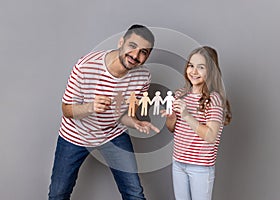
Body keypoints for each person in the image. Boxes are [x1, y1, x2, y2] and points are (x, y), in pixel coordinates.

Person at [48, 24, 159, 200]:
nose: (135, 56)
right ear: (121, 42)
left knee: (134, 193)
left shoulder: (143, 77)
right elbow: (67, 110)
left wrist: (135, 122)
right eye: (132, 46)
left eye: (143, 52)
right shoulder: (85, 66)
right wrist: (91, 107)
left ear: (148, 56)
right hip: (76, 135)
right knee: (58, 193)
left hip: (112, 134)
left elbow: (124, 116)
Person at [161, 46, 232, 200]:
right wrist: (171, 117)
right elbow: (171, 128)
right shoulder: (180, 94)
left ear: (211, 71)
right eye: (191, 66)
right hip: (178, 162)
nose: (193, 71)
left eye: (201, 67)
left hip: (200, 167)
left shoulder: (214, 99)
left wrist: (187, 115)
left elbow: (211, 136)